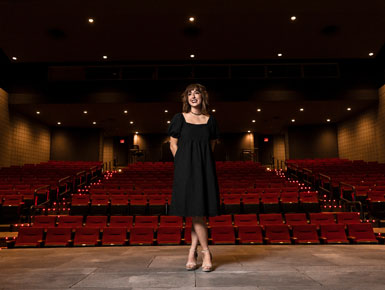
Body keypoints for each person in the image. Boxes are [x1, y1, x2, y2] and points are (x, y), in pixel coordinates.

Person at [167, 83, 221, 272]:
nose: (193, 96)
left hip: (204, 168)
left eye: (196, 93)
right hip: (185, 169)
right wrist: (182, 163)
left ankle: (193, 251)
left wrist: (201, 162)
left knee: (197, 211)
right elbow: (173, 144)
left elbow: (211, 145)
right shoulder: (179, 118)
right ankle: (205, 251)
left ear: (202, 97)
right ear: (186, 99)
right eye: (189, 94)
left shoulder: (210, 120)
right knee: (196, 212)